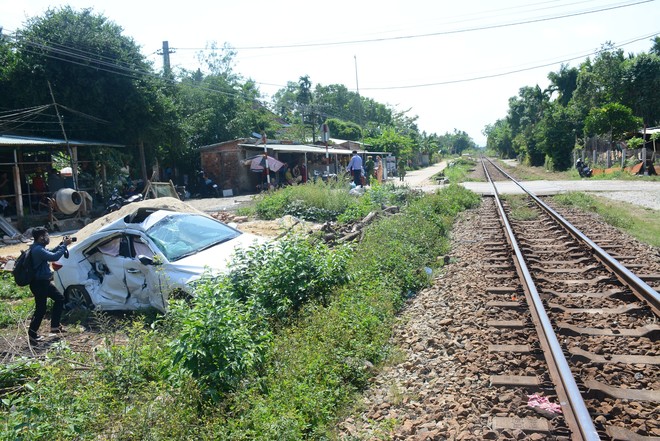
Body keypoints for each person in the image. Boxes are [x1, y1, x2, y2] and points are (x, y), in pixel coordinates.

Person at [27, 227, 73, 344]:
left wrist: (62, 245)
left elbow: (51, 252)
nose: (47, 238)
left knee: (59, 299)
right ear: (40, 237)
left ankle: (55, 326)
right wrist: (64, 246)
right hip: (39, 283)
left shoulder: (39, 248)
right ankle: (32, 334)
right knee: (41, 310)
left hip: (43, 282)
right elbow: (54, 257)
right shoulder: (37, 249)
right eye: (46, 235)